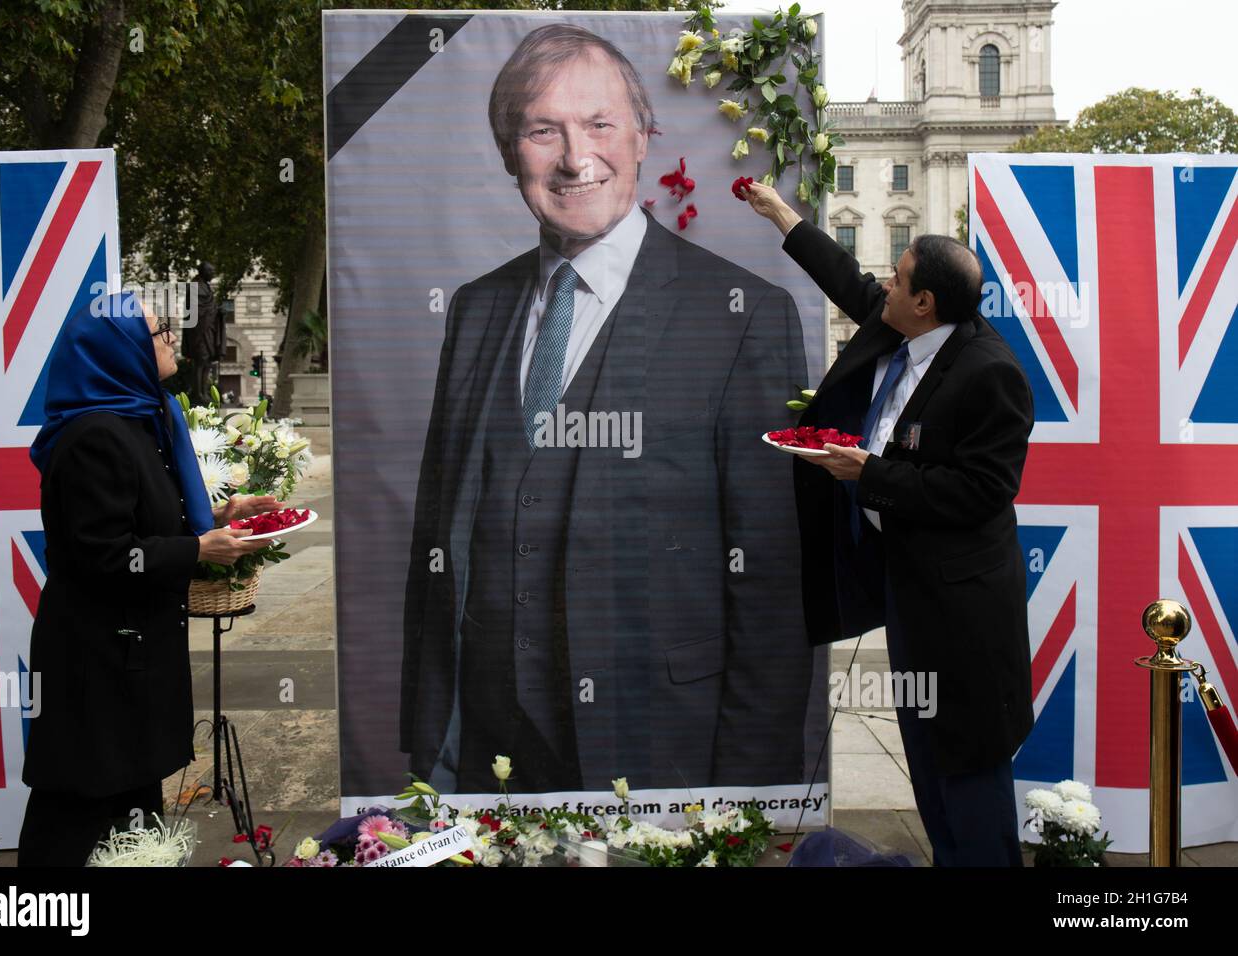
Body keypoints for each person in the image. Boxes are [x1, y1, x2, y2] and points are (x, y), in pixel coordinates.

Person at [401, 23, 811, 794]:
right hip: (482, 747)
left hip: (656, 740)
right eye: (542, 129)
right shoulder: (475, 308)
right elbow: (440, 535)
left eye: (598, 124)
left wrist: (755, 790)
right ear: (508, 152)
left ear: (643, 138)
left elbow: (771, 585)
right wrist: (430, 738)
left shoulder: (742, 315)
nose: (573, 156)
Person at [742, 182, 1035, 866]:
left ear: (926, 303)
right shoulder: (902, 325)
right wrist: (782, 214)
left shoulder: (990, 374)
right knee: (925, 750)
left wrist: (867, 473)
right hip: (909, 588)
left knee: (966, 761)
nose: (883, 283)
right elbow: (847, 278)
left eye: (898, 279)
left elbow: (982, 492)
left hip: (962, 613)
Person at [17, 291, 277, 866]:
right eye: (158, 334)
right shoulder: (96, 436)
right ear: (121, 348)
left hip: (133, 651)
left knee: (132, 798)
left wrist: (222, 514)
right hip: (96, 658)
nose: (169, 342)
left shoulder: (143, 417)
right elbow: (99, 554)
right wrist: (196, 549)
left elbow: (148, 514)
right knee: (78, 800)